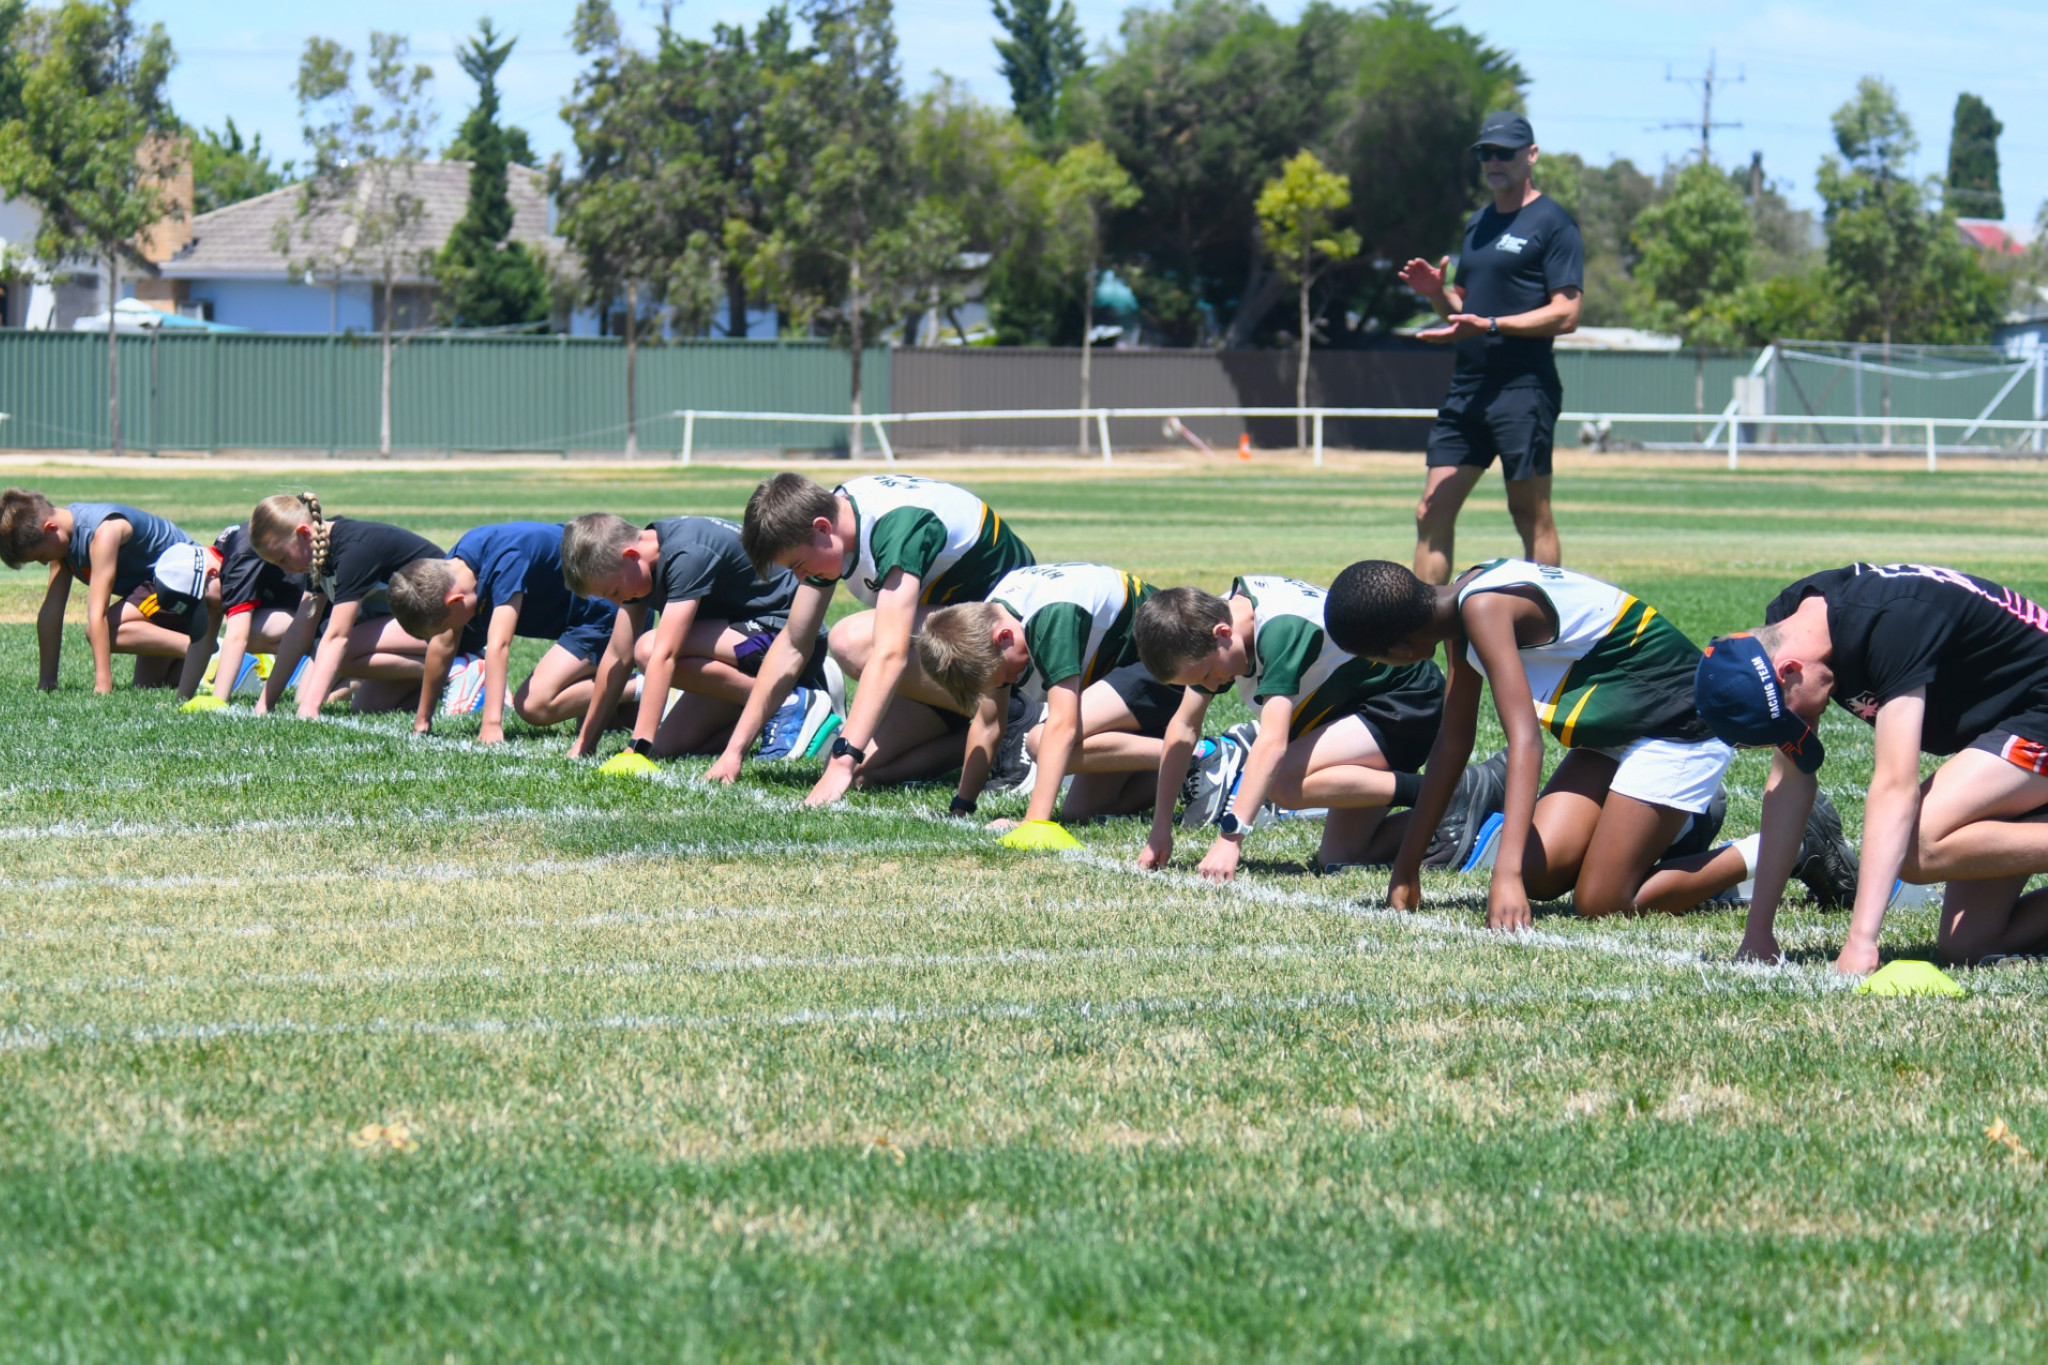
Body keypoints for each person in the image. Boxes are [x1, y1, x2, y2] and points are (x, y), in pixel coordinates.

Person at [1324, 557, 1812, 927]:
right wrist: (1406, 869)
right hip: (1615, 733)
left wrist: (1504, 875)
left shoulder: (1484, 608)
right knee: (1541, 874)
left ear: (1399, 651)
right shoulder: (1456, 606)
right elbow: (1454, 741)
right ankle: (1675, 826)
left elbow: (1525, 743)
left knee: (1602, 902)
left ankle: (1788, 846)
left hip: (1682, 729)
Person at [1695, 562, 2048, 973]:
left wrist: (1861, 941)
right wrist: (1758, 932)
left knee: (1917, 846)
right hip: (2010, 730)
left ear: (1788, 670)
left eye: (1789, 719)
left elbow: (1896, 785)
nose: (1799, 729)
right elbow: (1788, 785)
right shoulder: (1789, 627)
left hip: (2038, 711)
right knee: (1971, 945)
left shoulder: (1890, 623)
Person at [711, 472, 1034, 803]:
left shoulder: (896, 528)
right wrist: (735, 750)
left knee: (851, 641)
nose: (800, 578)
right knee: (866, 776)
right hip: (943, 648)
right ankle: (988, 732)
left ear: (822, 528)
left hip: (1002, 646)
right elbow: (794, 643)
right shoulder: (835, 522)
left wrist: (843, 758)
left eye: (799, 565)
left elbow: (890, 652)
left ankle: (1014, 710)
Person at [1132, 576, 1445, 883]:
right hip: (1353, 713)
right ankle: (1464, 813)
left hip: (1406, 702)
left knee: (1282, 782)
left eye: (1208, 675)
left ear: (1223, 633)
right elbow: (1184, 726)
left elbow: (1272, 743)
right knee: (1342, 855)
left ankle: (1450, 792)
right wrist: (1160, 827)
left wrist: (1230, 839)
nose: (1210, 686)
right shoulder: (1215, 623)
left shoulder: (1281, 629)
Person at [1397, 111, 1583, 585]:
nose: (1493, 161)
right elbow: (1465, 315)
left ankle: (1544, 631)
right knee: (1430, 510)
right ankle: (1423, 641)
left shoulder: (1554, 223)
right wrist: (1438, 294)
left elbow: (1567, 312)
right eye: (1485, 153)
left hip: (1524, 388)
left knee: (1529, 513)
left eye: (1504, 152)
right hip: (1468, 387)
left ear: (1532, 155)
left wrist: (1494, 323)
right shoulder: (1477, 224)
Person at [914, 561, 1183, 827]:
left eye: (1005, 673)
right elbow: (988, 723)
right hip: (1122, 674)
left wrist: (1033, 822)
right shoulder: (990, 621)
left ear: (1003, 637)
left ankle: (1201, 753)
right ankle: (1195, 770)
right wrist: (962, 804)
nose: (1010, 682)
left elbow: (1062, 725)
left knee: (1040, 742)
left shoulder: (1053, 619)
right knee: (1080, 811)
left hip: (1167, 660)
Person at [560, 512, 833, 761]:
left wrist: (638, 746)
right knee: (667, 747)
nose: (618, 602)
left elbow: (664, 654)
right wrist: (586, 742)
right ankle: (796, 700)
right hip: (741, 646)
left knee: (649, 648)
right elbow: (618, 655)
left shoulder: (687, 553)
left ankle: (788, 700)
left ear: (631, 556)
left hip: (788, 635)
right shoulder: (637, 570)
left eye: (614, 592)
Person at [387, 521, 624, 744]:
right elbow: (443, 645)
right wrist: (423, 720)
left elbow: (499, 644)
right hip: (578, 623)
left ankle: (643, 684)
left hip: (605, 613)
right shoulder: (453, 568)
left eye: (447, 625)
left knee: (534, 704)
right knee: (609, 720)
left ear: (456, 600)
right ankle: (624, 693)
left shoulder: (507, 560)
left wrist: (491, 724)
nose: (451, 631)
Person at [247, 493, 438, 718]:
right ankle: (443, 678)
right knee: (367, 706)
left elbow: (338, 637)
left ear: (303, 534)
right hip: (414, 630)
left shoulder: (353, 551)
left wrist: (309, 709)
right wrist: (265, 703)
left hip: (444, 625)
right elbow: (299, 631)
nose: (286, 570)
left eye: (283, 559)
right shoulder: (317, 556)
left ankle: (453, 666)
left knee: (340, 653)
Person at [0, 489, 196, 692]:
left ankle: (207, 650)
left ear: (50, 528)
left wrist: (103, 685)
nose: (43, 562)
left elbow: (97, 614)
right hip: (155, 595)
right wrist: (47, 681)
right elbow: (51, 611)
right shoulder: (61, 543)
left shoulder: (104, 533)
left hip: (184, 579)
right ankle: (210, 656)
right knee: (150, 685)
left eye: (40, 555)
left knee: (100, 631)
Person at [204, 522, 312, 704]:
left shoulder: (239, 557)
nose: (205, 606)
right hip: (306, 610)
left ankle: (315, 656)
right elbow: (204, 637)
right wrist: (182, 697)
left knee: (304, 702)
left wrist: (217, 700)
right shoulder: (225, 552)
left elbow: (238, 636)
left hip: (333, 622)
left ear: (211, 573)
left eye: (203, 600)